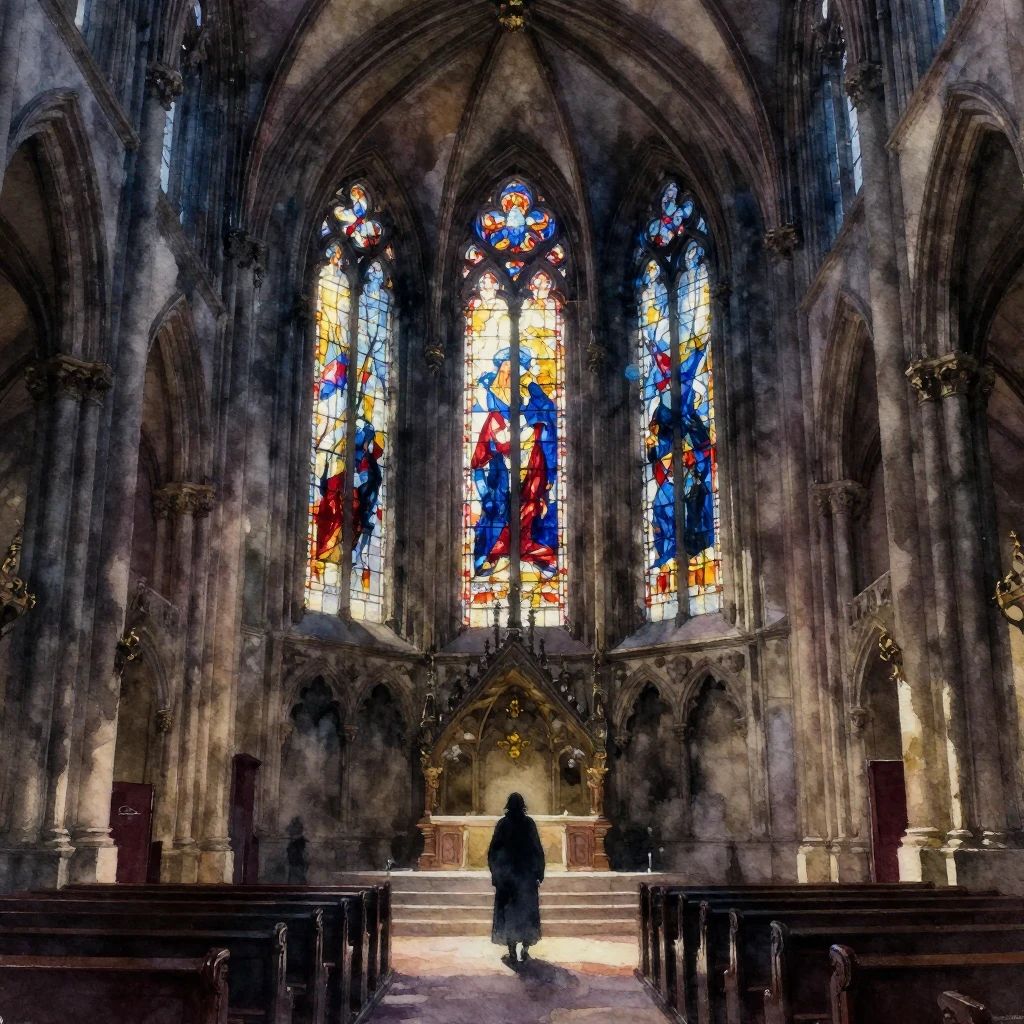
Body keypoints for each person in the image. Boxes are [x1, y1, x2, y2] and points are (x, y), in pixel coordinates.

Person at [487, 792, 545, 966]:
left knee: (508, 912)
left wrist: (495, 873)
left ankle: (511, 949)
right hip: (525, 875)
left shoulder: (503, 824)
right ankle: (525, 949)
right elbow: (537, 850)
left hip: (507, 877)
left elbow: (493, 852)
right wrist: (539, 872)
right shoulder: (529, 824)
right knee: (526, 912)